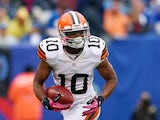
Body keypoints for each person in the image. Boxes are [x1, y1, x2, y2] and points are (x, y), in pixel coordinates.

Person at [33, 10, 118, 120]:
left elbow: (112, 79)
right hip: (65, 106)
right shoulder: (52, 52)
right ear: (62, 34)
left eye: (81, 32)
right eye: (73, 33)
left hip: (86, 104)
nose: (78, 36)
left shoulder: (94, 49)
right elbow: (37, 82)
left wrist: (100, 99)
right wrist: (45, 101)